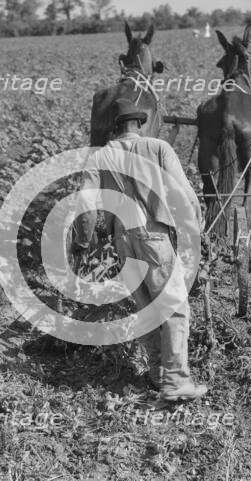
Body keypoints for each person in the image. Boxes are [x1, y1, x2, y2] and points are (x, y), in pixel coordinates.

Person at [72, 98, 208, 401]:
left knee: (147, 308)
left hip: (121, 239)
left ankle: (158, 373)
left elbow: (86, 203)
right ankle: (175, 382)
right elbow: (185, 193)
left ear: (114, 128)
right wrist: (195, 230)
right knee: (173, 307)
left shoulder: (100, 156)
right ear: (140, 124)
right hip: (152, 236)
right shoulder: (158, 148)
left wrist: (82, 241)